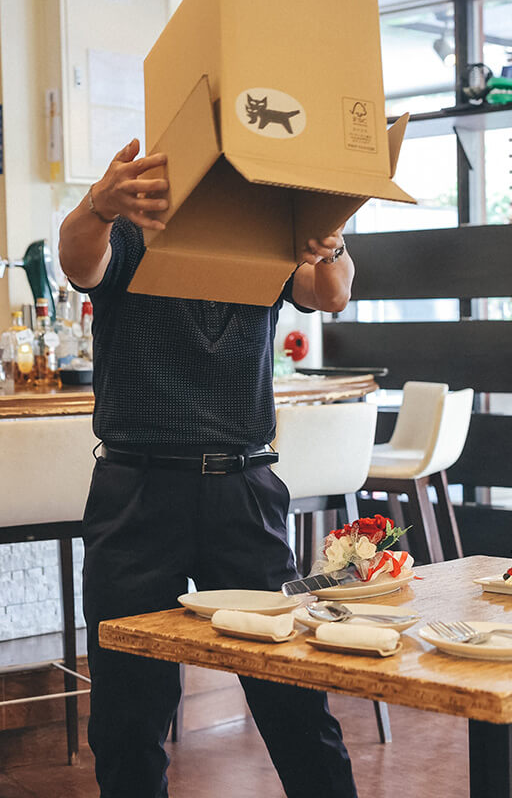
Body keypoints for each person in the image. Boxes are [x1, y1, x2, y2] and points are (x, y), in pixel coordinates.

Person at [59, 138, 359, 798]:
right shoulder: (134, 225)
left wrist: (330, 241)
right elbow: (78, 260)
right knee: (128, 711)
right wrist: (99, 205)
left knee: (293, 696)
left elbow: (331, 293)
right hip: (136, 491)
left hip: (243, 486)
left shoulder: (266, 235)